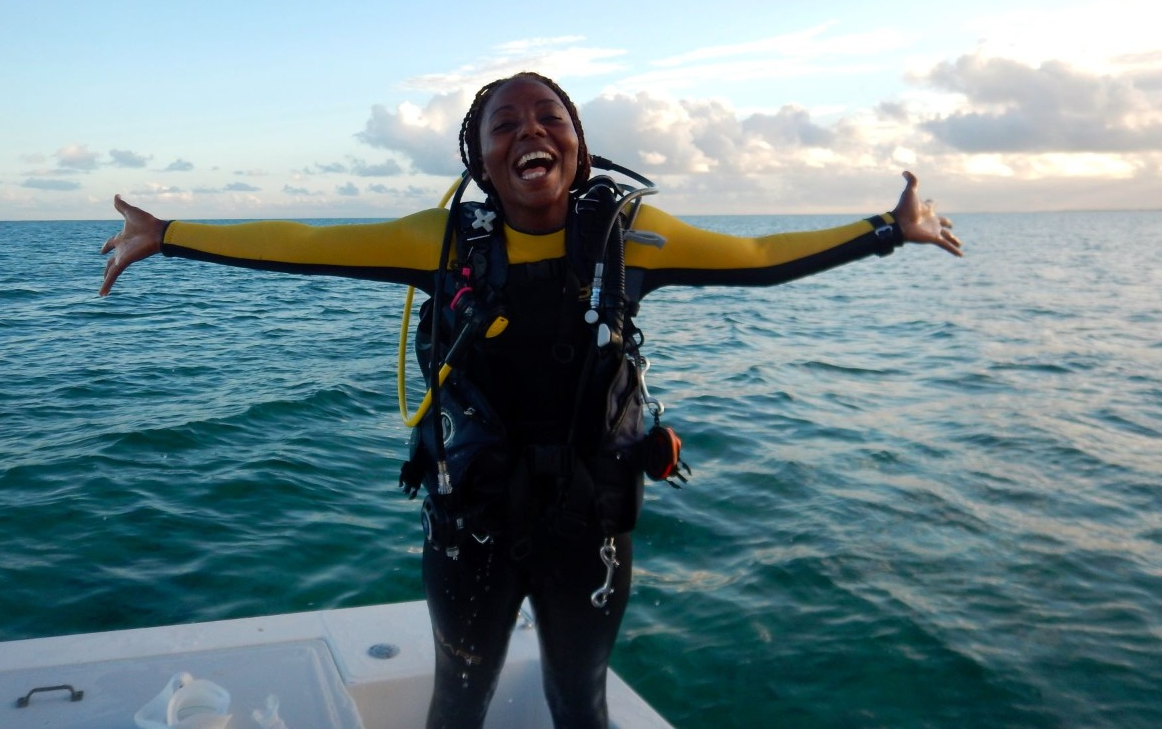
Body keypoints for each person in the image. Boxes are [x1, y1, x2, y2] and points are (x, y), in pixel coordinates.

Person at [100, 72, 962, 729]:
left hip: (590, 525)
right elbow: (308, 241)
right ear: (479, 160)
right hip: (470, 521)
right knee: (457, 701)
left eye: (550, 117)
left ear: (579, 146)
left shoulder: (634, 238)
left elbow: (759, 253)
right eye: (504, 124)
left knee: (580, 702)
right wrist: (170, 235)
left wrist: (886, 230)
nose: (530, 132)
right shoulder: (439, 240)